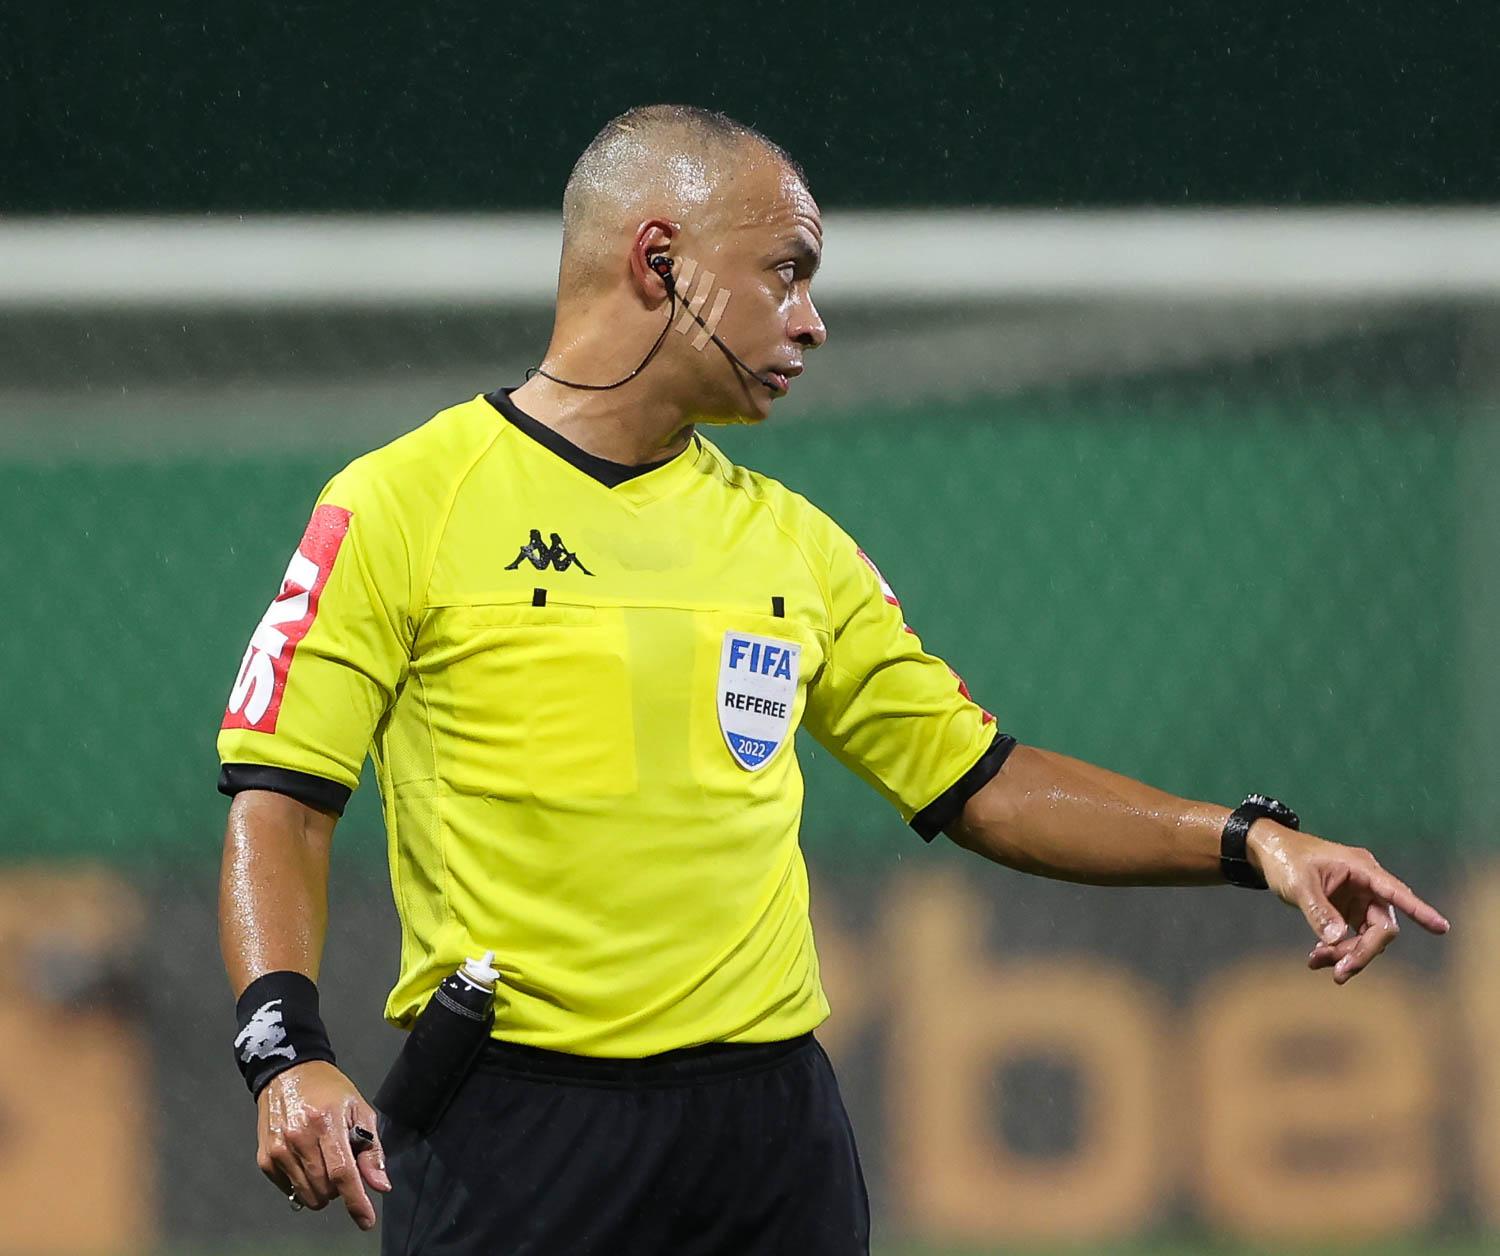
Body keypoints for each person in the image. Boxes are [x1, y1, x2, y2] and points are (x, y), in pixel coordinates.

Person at [216, 104, 1451, 1255]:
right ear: (661, 260)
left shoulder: (795, 545)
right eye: (787, 272)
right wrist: (286, 1050)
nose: (812, 321)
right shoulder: (399, 504)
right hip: (515, 1125)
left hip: (768, 1128)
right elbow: (281, 803)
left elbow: (982, 780)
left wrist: (1253, 842)